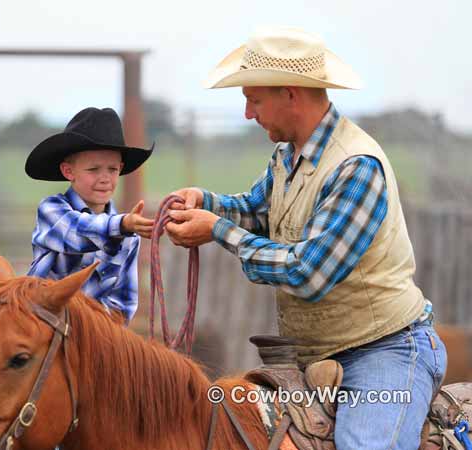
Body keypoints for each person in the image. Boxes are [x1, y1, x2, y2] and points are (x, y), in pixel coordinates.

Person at [165, 27, 447, 449]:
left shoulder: (356, 166)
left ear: (291, 94)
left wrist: (216, 230)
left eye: (254, 100)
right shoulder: (287, 155)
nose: (247, 114)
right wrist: (205, 202)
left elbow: (310, 272)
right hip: (315, 353)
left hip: (385, 351)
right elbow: (259, 210)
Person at [24, 107, 154, 324]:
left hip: (89, 338)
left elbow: (123, 304)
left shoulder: (129, 235)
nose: (105, 178)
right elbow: (76, 233)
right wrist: (122, 224)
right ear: (69, 172)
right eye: (93, 169)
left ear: (120, 169)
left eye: (112, 170)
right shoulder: (51, 210)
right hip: (38, 325)